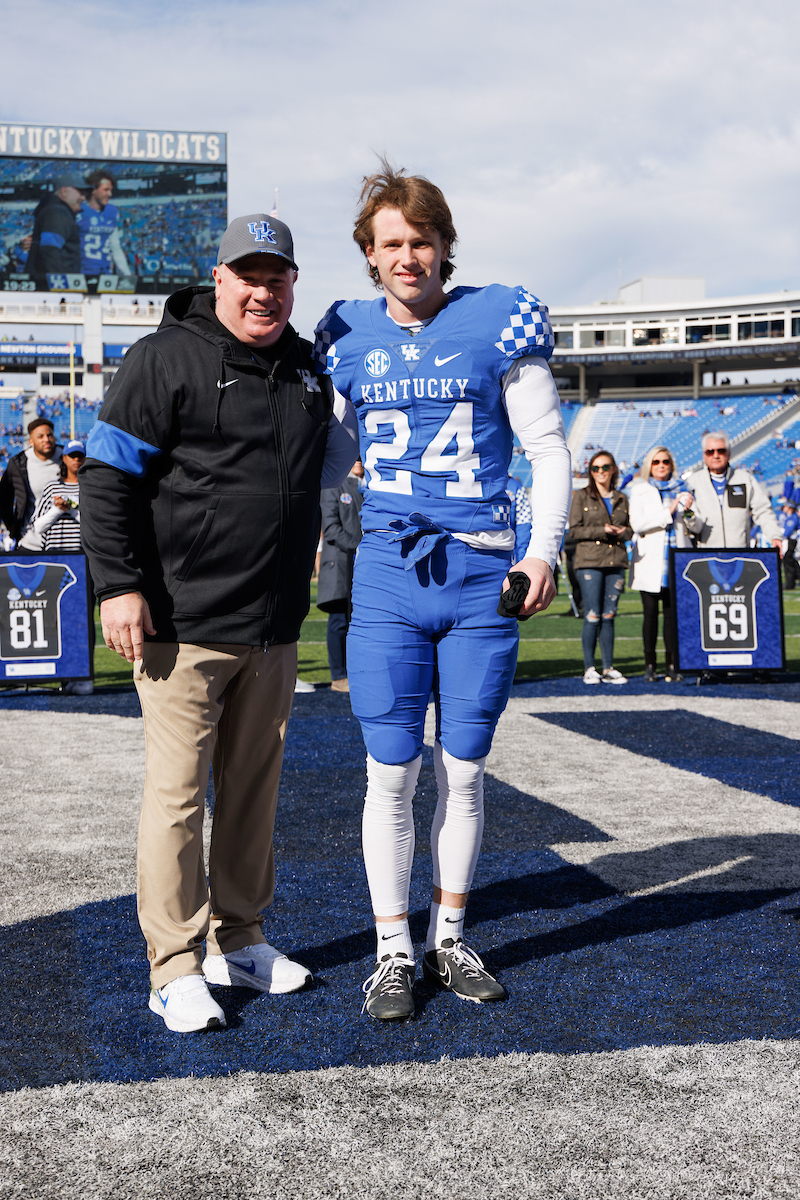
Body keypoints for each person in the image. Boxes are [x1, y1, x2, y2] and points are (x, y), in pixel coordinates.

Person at [80, 212, 357, 1034]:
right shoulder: (163, 357)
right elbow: (105, 477)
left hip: (272, 627)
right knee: (176, 799)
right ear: (219, 277)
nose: (263, 289)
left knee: (252, 796)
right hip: (182, 624)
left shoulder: (307, 369)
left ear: (293, 284)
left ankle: (239, 937)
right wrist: (118, 585)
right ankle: (172, 964)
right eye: (249, 274)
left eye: (278, 276)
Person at [314, 161, 571, 1020]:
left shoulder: (494, 320)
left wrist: (543, 551)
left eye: (421, 241)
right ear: (370, 254)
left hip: (478, 571)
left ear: (443, 245)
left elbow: (546, 446)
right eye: (392, 244)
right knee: (389, 775)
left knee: (463, 768)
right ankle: (392, 950)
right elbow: (326, 459)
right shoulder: (344, 335)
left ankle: (449, 935)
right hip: (389, 571)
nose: (408, 256)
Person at [628, 446, 694, 682]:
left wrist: (689, 512)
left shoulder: (683, 490)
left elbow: (693, 526)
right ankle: (649, 666)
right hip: (650, 561)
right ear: (649, 465)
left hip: (677, 559)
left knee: (672, 616)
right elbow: (637, 523)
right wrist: (670, 510)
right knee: (650, 616)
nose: (661, 465)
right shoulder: (640, 490)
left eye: (665, 461)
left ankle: (672, 665)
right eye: (656, 462)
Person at [568, 449, 632, 685]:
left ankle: (608, 667)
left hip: (615, 561)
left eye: (605, 467)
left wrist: (623, 532)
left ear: (613, 469)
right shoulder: (582, 496)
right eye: (595, 468)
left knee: (609, 615)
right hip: (590, 562)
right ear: (590, 472)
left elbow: (631, 529)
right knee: (592, 615)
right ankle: (589, 667)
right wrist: (601, 530)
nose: (601, 472)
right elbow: (574, 530)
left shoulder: (622, 498)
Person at [683, 432, 781, 551]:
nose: (716, 455)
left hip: (740, 554)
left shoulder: (745, 479)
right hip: (706, 556)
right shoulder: (693, 482)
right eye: (710, 451)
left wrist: (775, 536)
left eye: (721, 451)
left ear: (728, 454)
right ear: (704, 456)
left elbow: (763, 510)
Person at [317, 458, 364, 693]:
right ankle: (338, 676)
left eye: (360, 457)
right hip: (340, 567)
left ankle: (355, 673)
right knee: (338, 622)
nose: (357, 462)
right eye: (353, 458)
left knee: (358, 623)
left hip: (360, 567)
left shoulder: (368, 485)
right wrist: (362, 546)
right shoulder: (333, 485)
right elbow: (332, 529)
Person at [0, 417, 62, 551]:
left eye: (49, 435)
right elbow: (4, 499)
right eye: (40, 436)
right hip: (31, 540)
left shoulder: (68, 458)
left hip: (65, 540)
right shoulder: (18, 463)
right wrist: (12, 526)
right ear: (31, 441)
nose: (46, 439)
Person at [26, 174, 84, 285]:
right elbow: (50, 250)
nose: (83, 197)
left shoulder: (56, 210)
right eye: (80, 192)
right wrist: (62, 286)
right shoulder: (58, 212)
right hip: (50, 288)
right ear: (64, 191)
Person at [32, 438, 85, 552]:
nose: (76, 459)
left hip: (82, 552)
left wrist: (70, 509)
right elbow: (38, 527)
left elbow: (94, 525)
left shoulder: (90, 488)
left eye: (80, 456)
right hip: (54, 552)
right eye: (72, 455)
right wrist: (57, 510)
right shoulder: (52, 487)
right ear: (64, 459)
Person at [76, 170, 130, 278]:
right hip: (82, 273)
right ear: (93, 190)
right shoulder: (78, 211)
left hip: (106, 273)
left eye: (110, 190)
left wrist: (127, 274)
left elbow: (115, 246)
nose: (109, 194)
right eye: (106, 190)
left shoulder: (111, 211)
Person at [778, 501, 799, 591]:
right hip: (791, 541)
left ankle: (789, 583)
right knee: (791, 562)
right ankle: (792, 581)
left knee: (788, 562)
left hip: (792, 542)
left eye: (786, 506)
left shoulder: (792, 518)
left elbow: (787, 532)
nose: (784, 508)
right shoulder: (790, 517)